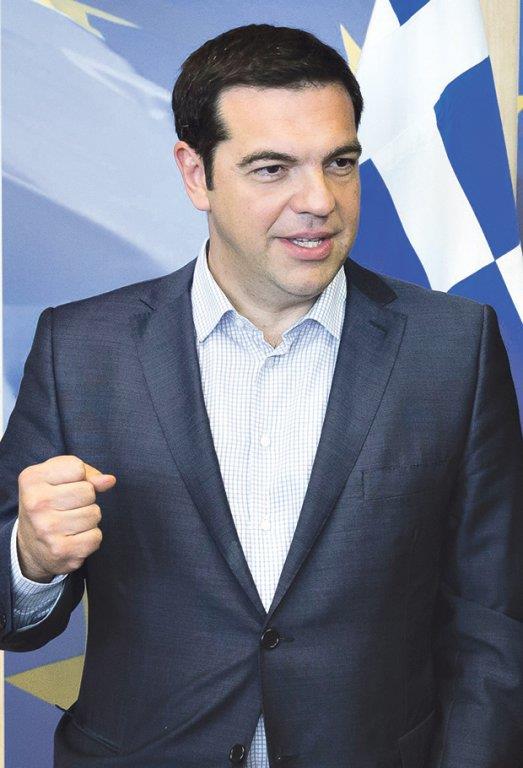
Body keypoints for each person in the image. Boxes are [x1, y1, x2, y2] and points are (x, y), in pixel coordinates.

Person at [1, 22, 522, 768]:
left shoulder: (453, 347)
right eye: (272, 169)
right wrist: (30, 557)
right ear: (195, 174)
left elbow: (493, 626)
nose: (319, 200)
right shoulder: (80, 348)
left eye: (339, 163)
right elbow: (8, 609)